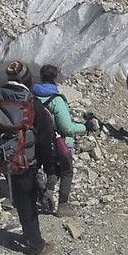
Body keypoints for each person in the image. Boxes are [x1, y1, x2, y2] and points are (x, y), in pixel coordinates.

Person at [0, 60, 57, 255]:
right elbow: (46, 138)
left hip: (4, 155)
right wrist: (50, 168)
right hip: (27, 160)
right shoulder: (31, 102)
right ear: (26, 78)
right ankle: (36, 245)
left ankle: (29, 235)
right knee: (29, 200)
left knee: (20, 198)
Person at [32, 64, 91, 218]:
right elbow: (67, 128)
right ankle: (62, 206)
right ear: (55, 78)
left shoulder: (32, 98)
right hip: (59, 144)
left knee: (51, 169)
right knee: (66, 171)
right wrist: (85, 127)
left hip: (39, 144)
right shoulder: (56, 100)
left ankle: (45, 195)